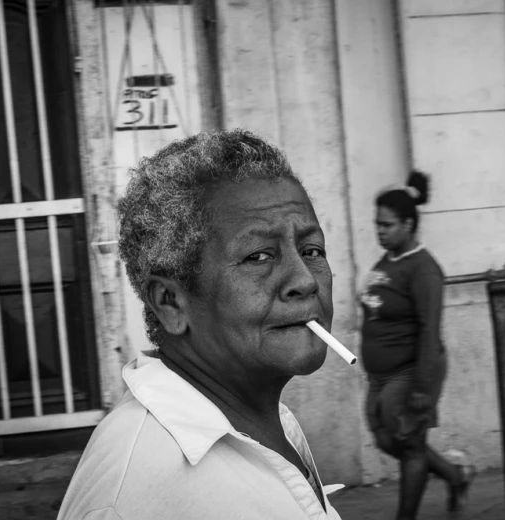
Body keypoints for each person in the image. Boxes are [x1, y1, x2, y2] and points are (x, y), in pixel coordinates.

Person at [57, 129, 343, 519]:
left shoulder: (262, 420)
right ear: (171, 303)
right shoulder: (137, 492)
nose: (306, 280)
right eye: (259, 256)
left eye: (312, 250)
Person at [358, 171, 476, 520]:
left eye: (387, 225)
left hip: (409, 372)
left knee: (410, 447)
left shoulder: (424, 270)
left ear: (408, 225)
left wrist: (423, 386)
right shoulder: (388, 260)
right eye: (377, 224)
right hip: (381, 375)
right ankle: (456, 476)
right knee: (385, 438)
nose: (380, 230)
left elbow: (430, 329)